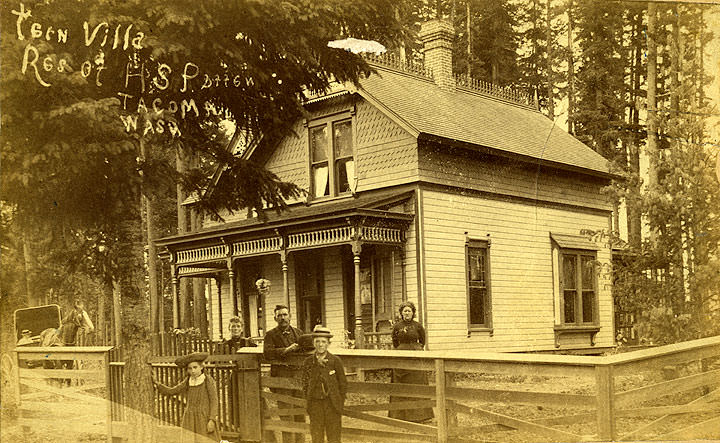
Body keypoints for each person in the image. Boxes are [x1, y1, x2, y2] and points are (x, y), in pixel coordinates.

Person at [152, 352, 220, 443]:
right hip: (189, 418)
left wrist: (212, 419)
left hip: (204, 418)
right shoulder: (188, 381)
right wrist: (158, 384)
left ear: (201, 367)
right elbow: (172, 391)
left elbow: (214, 401)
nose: (193, 371)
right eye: (190, 368)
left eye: (195, 367)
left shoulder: (207, 380)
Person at [263, 305, 306, 443]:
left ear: (290, 316)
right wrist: (286, 350)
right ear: (275, 318)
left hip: (298, 379)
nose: (283, 318)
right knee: (285, 413)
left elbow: (308, 349)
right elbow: (268, 353)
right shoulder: (270, 335)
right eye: (279, 315)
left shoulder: (299, 333)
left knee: (300, 413)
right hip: (281, 380)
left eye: (285, 315)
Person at [388, 301, 434, 422]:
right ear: (401, 313)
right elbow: (394, 342)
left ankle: (420, 415)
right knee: (401, 385)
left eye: (409, 311)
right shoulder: (397, 326)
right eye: (405, 311)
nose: (407, 313)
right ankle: (399, 415)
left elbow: (423, 340)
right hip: (401, 357)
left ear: (413, 313)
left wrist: (416, 349)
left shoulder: (418, 326)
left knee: (417, 384)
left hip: (416, 357)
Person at [301, 326, 347, 443]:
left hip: (332, 405)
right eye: (317, 341)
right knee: (317, 437)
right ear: (313, 343)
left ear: (328, 344)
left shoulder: (335, 361)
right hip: (315, 405)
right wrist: (309, 401)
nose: (320, 345)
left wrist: (339, 403)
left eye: (323, 342)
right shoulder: (308, 362)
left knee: (334, 437)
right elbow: (305, 383)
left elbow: (343, 384)